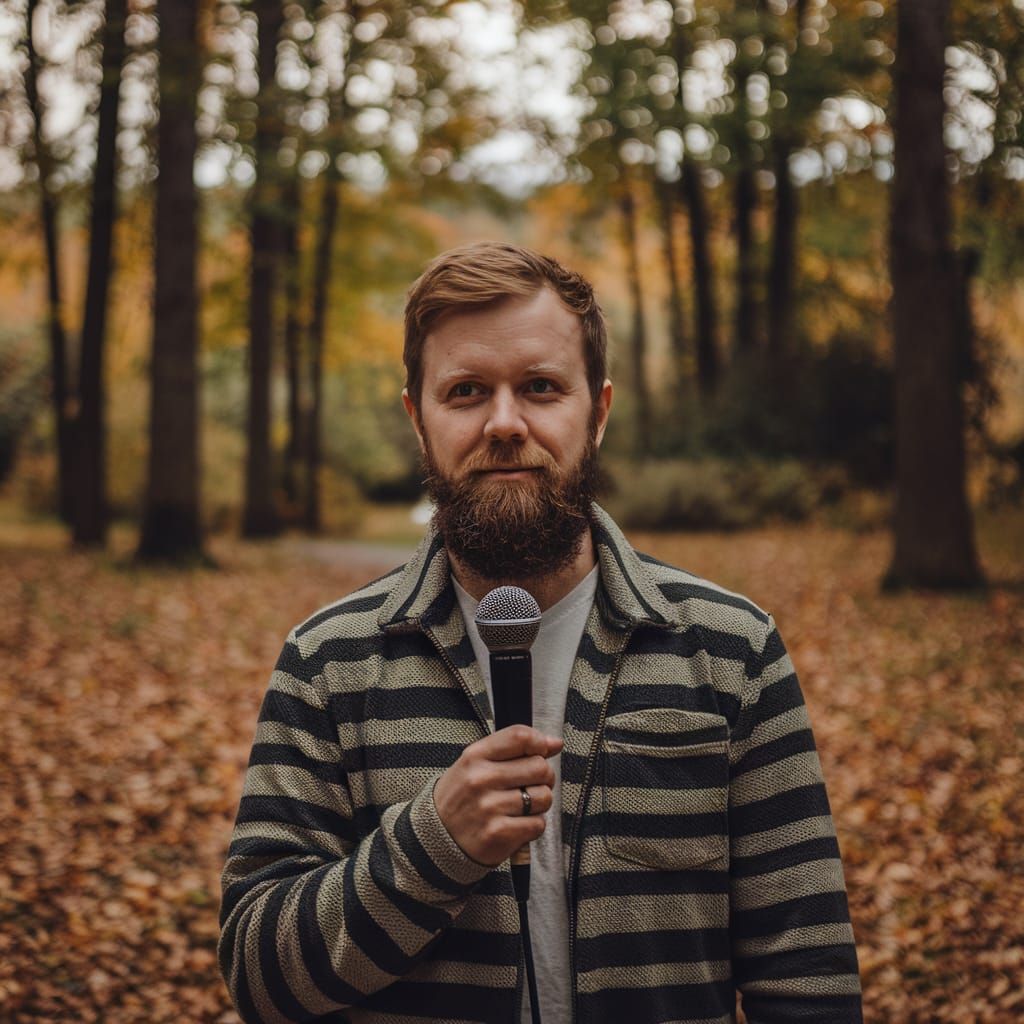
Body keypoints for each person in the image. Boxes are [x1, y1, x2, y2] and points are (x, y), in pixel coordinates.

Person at [219, 242, 862, 1024]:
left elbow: (806, 969)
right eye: (464, 391)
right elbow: (258, 978)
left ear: (599, 409)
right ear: (416, 419)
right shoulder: (326, 662)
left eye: (540, 387)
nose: (503, 423)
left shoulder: (732, 650)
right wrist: (431, 847)